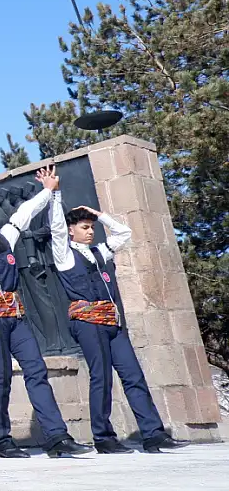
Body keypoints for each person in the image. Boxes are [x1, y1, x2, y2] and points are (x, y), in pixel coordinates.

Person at [0, 161, 91, 458]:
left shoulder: (5, 238)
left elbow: (23, 215)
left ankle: (56, 437)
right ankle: (2, 440)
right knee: (0, 374)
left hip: (14, 315)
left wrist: (48, 192)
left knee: (36, 369)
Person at [48, 191, 190, 454]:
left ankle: (153, 434)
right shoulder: (65, 255)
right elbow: (56, 229)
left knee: (133, 375)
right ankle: (103, 437)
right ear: (71, 231)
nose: (90, 232)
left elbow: (124, 233)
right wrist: (55, 195)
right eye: (84, 227)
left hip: (113, 323)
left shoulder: (101, 251)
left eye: (92, 228)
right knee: (101, 377)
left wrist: (100, 215)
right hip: (88, 322)